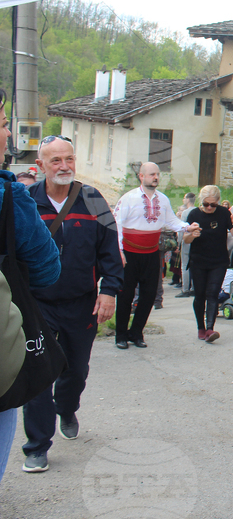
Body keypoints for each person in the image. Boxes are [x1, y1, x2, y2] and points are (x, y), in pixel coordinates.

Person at [22, 135, 119, 474]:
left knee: (76, 370)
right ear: (40, 165)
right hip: (37, 304)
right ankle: (37, 446)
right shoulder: (27, 201)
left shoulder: (93, 200)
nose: (64, 166)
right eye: (55, 161)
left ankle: (66, 406)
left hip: (82, 303)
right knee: (37, 374)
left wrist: (110, 290)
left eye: (69, 159)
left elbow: (110, 247)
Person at [113, 162, 194, 349]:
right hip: (130, 253)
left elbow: (171, 221)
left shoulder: (163, 199)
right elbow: (117, 224)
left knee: (149, 295)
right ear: (141, 176)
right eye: (151, 174)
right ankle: (121, 335)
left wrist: (187, 227)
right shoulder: (128, 198)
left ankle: (136, 332)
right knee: (125, 295)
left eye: (157, 174)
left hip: (151, 253)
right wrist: (119, 251)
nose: (155, 177)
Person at [183, 185, 233, 344]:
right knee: (199, 295)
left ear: (218, 201)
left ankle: (210, 328)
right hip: (198, 260)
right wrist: (192, 235)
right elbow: (185, 240)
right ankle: (201, 327)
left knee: (212, 293)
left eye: (213, 204)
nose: (210, 207)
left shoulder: (224, 213)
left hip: (218, 260)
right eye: (206, 204)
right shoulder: (194, 214)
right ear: (201, 201)